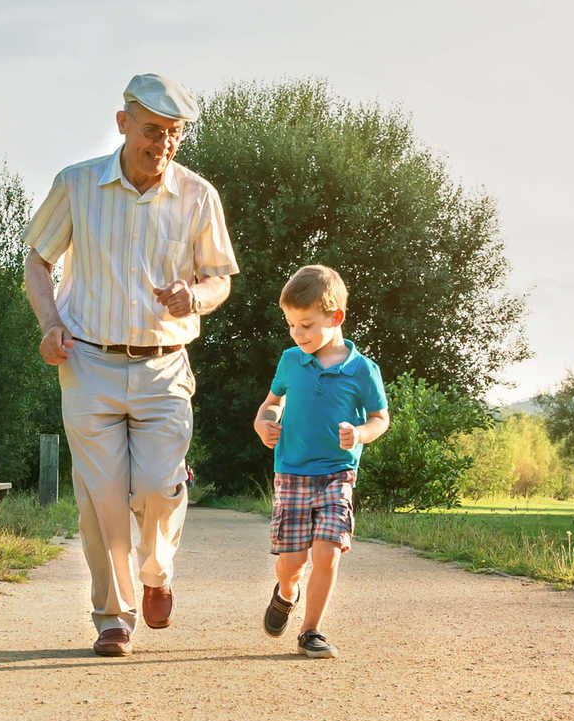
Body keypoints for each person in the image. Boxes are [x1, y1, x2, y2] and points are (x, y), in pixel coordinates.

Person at [23, 73, 239, 657]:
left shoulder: (198, 196)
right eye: (152, 132)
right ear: (123, 123)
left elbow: (219, 277)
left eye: (173, 135)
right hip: (88, 361)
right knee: (102, 497)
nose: (162, 145)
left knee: (158, 488)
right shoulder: (76, 185)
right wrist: (49, 325)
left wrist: (195, 297)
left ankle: (157, 572)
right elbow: (38, 262)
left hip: (164, 366)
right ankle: (113, 617)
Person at [253, 265, 390, 658]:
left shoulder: (363, 370)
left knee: (328, 551)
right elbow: (270, 404)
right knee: (291, 562)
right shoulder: (290, 361)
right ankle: (286, 593)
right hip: (292, 472)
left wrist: (360, 433)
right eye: (292, 325)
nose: (299, 334)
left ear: (336, 317)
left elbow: (381, 418)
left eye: (307, 325)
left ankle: (311, 630)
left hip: (338, 473)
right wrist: (265, 424)